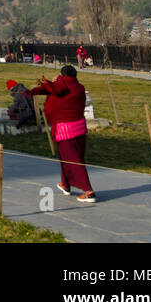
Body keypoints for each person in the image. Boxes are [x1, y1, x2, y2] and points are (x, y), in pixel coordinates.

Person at [29, 65, 97, 203]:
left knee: (73, 161)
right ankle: (66, 185)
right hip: (80, 128)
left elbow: (53, 96)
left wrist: (54, 82)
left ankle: (88, 191)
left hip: (65, 130)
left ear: (62, 75)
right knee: (69, 158)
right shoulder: (80, 88)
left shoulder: (59, 87)